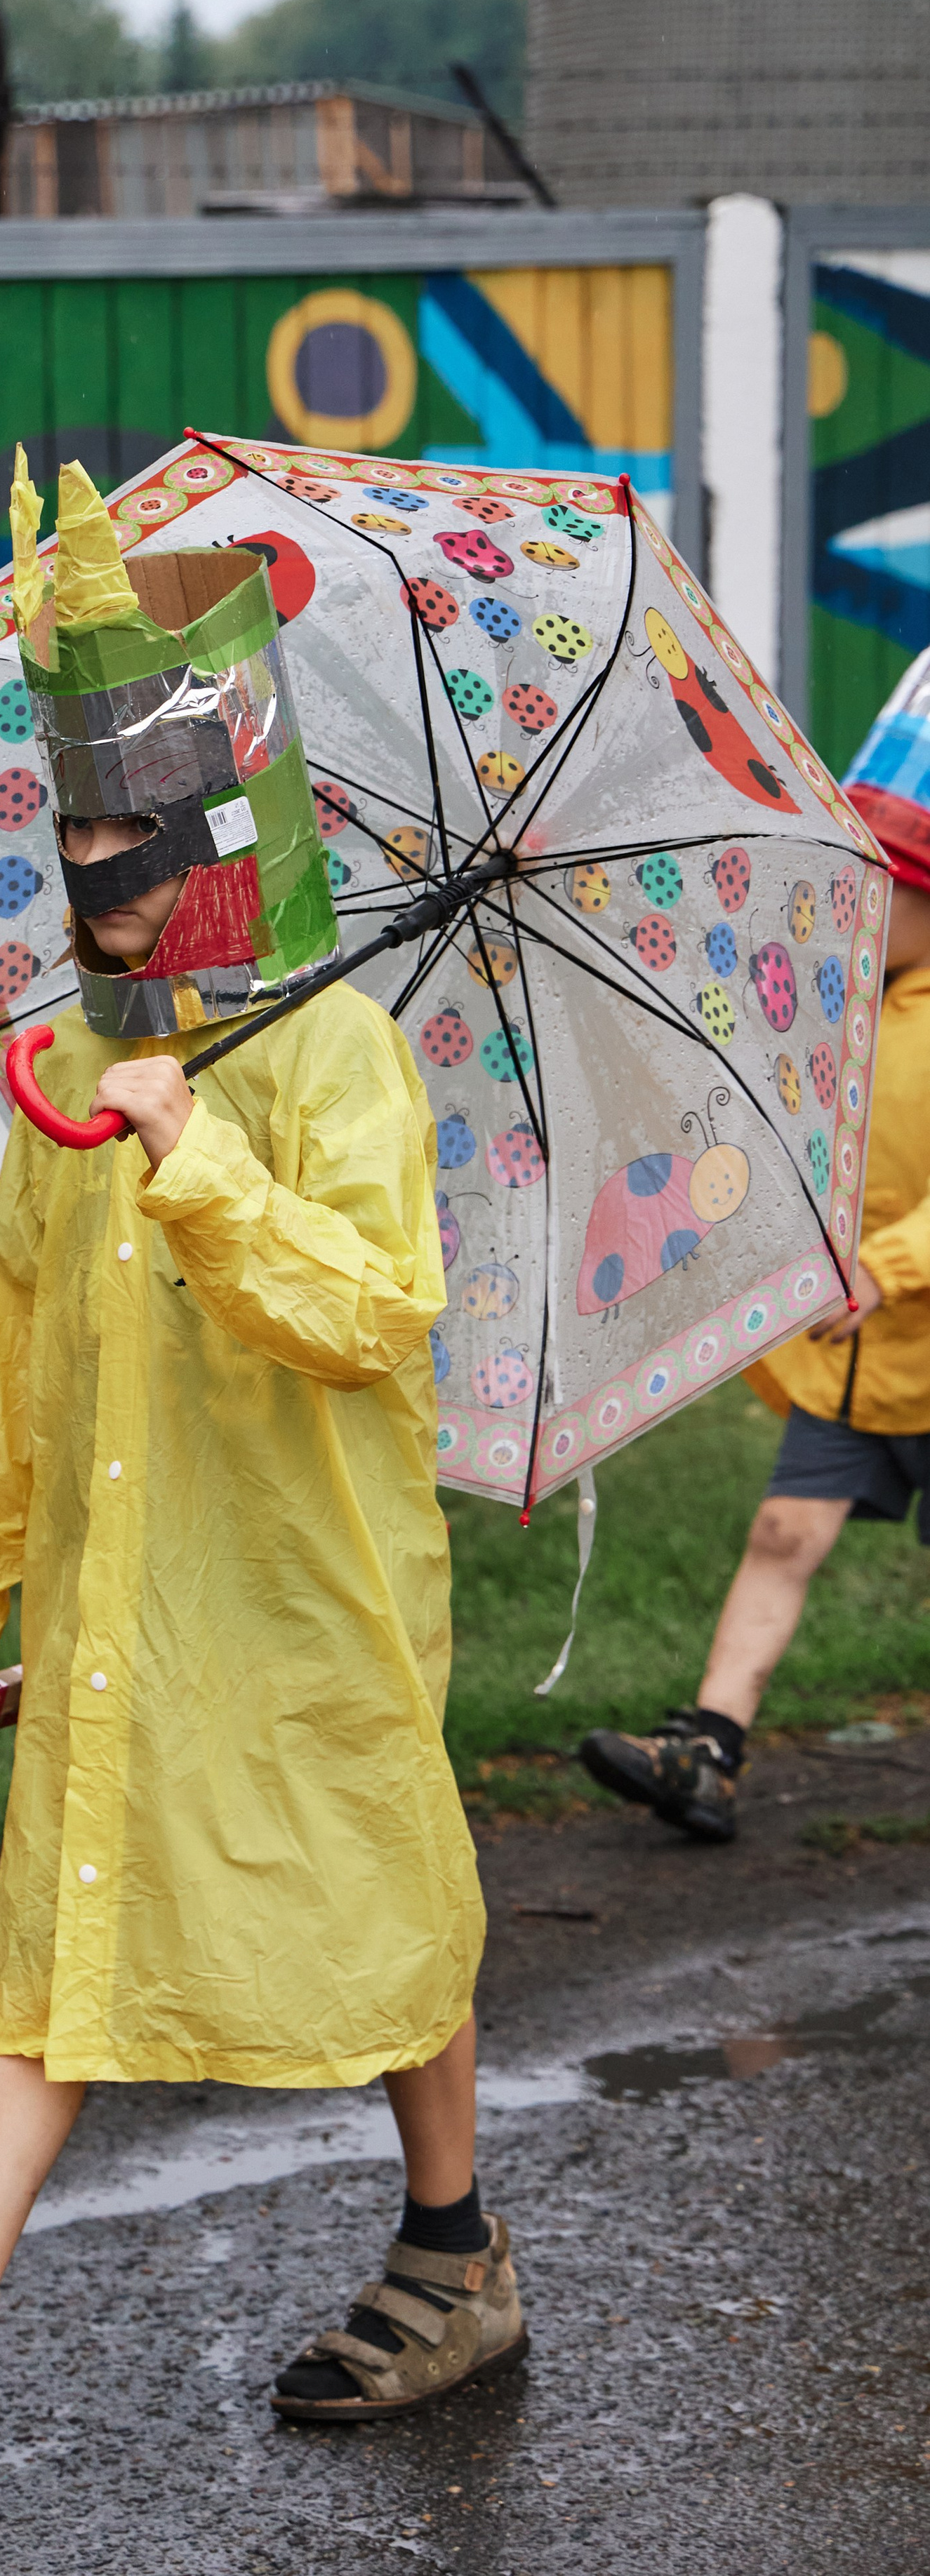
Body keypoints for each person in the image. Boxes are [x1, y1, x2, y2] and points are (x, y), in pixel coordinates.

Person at [0, 460, 522, 2515]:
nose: (96, 877)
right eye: (70, 837)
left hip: (306, 1599)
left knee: (385, 1916)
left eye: (133, 837)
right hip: (118, 1602)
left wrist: (202, 1157)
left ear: (235, 831)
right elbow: (12, 1364)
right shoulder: (62, 1081)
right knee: (57, 1949)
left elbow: (372, 1318)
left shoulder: (341, 1065)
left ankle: (454, 2243)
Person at [581, 650, 930, 1844]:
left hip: (906, 1320)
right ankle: (709, 1748)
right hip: (854, 1356)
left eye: (886, 895)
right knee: (784, 1531)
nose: (859, 915)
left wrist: (892, 1265)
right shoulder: (831, 1008)